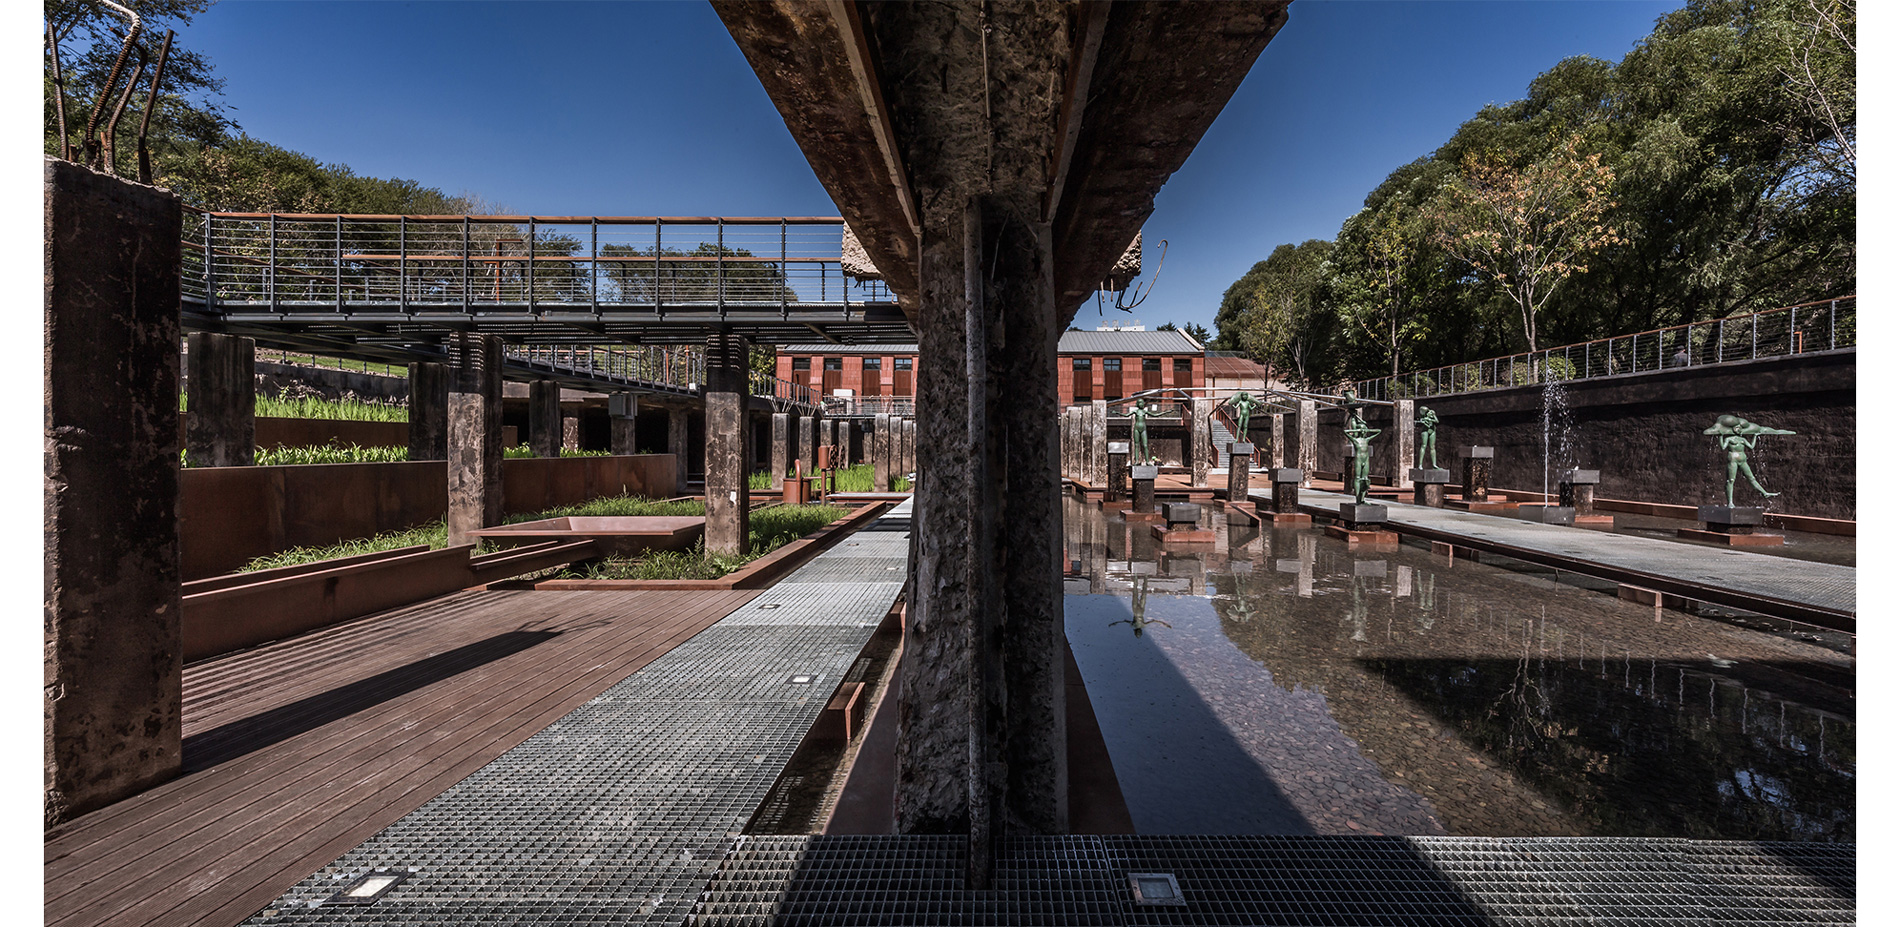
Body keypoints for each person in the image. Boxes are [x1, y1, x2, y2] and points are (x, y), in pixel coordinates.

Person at [1345, 417, 1381, 505]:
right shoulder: (1356, 440)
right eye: (1362, 429)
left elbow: (1379, 431)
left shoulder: (1366, 440)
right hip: (1359, 459)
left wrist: (1366, 429)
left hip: (1366, 459)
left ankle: (1362, 499)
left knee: (1365, 478)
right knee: (1357, 477)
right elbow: (1345, 432)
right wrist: (1357, 430)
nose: (1363, 431)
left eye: (1364, 429)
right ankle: (1357, 497)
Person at [1128, 397, 1154, 465]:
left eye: (1142, 402)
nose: (1142, 404)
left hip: (1143, 429)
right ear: (1138, 404)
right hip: (1136, 429)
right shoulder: (1135, 411)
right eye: (1140, 402)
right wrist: (1117, 413)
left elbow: (1155, 415)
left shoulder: (1144, 411)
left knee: (1145, 445)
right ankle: (1136, 461)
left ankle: (1147, 461)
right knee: (1136, 445)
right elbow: (1126, 415)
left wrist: (1165, 412)